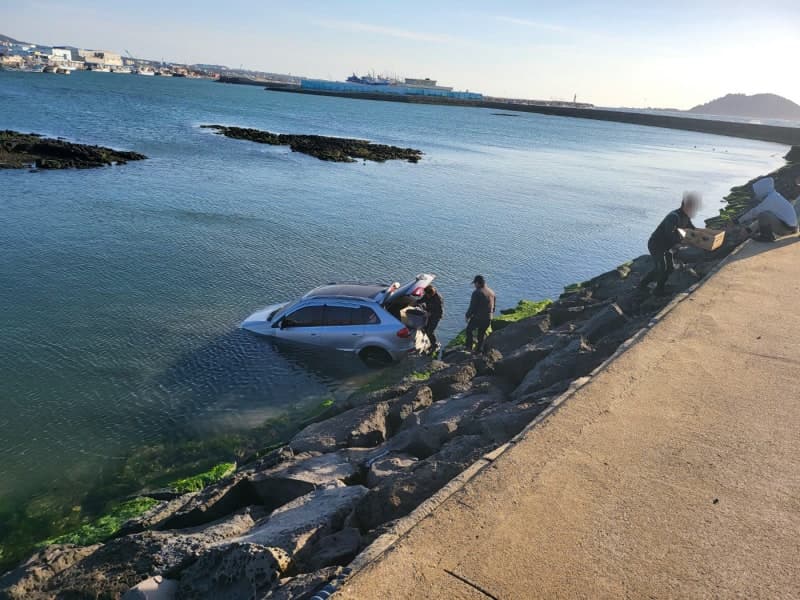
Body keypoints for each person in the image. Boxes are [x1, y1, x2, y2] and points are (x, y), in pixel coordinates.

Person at [639, 192, 700, 296]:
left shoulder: (686, 217)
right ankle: (654, 290)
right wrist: (680, 243)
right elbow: (669, 234)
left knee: (669, 268)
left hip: (667, 246)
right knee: (662, 267)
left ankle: (647, 286)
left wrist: (703, 236)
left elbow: (692, 229)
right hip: (656, 244)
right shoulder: (674, 216)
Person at [734, 176, 799, 242]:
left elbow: (754, 213)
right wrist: (748, 230)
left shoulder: (769, 200)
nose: (756, 194)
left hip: (786, 230)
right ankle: (765, 235)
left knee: (763, 215)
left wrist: (738, 221)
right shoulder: (775, 196)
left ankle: (766, 237)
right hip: (792, 228)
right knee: (765, 215)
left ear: (762, 190)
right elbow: (763, 220)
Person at [465, 275, 495, 353]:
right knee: (481, 334)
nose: (474, 285)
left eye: (475, 283)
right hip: (488, 318)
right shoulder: (491, 292)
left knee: (469, 330)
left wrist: (467, 315)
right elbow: (494, 307)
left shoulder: (477, 292)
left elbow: (473, 306)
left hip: (478, 318)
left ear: (478, 283)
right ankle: (478, 350)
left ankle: (469, 348)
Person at [418, 285, 444, 355]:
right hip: (428, 313)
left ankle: (434, 345)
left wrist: (431, 314)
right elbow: (421, 300)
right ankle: (430, 342)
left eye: (428, 295)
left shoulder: (438, 299)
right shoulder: (427, 295)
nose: (426, 296)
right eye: (425, 294)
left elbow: (440, 311)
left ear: (431, 293)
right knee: (425, 328)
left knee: (430, 331)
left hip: (436, 316)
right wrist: (415, 302)